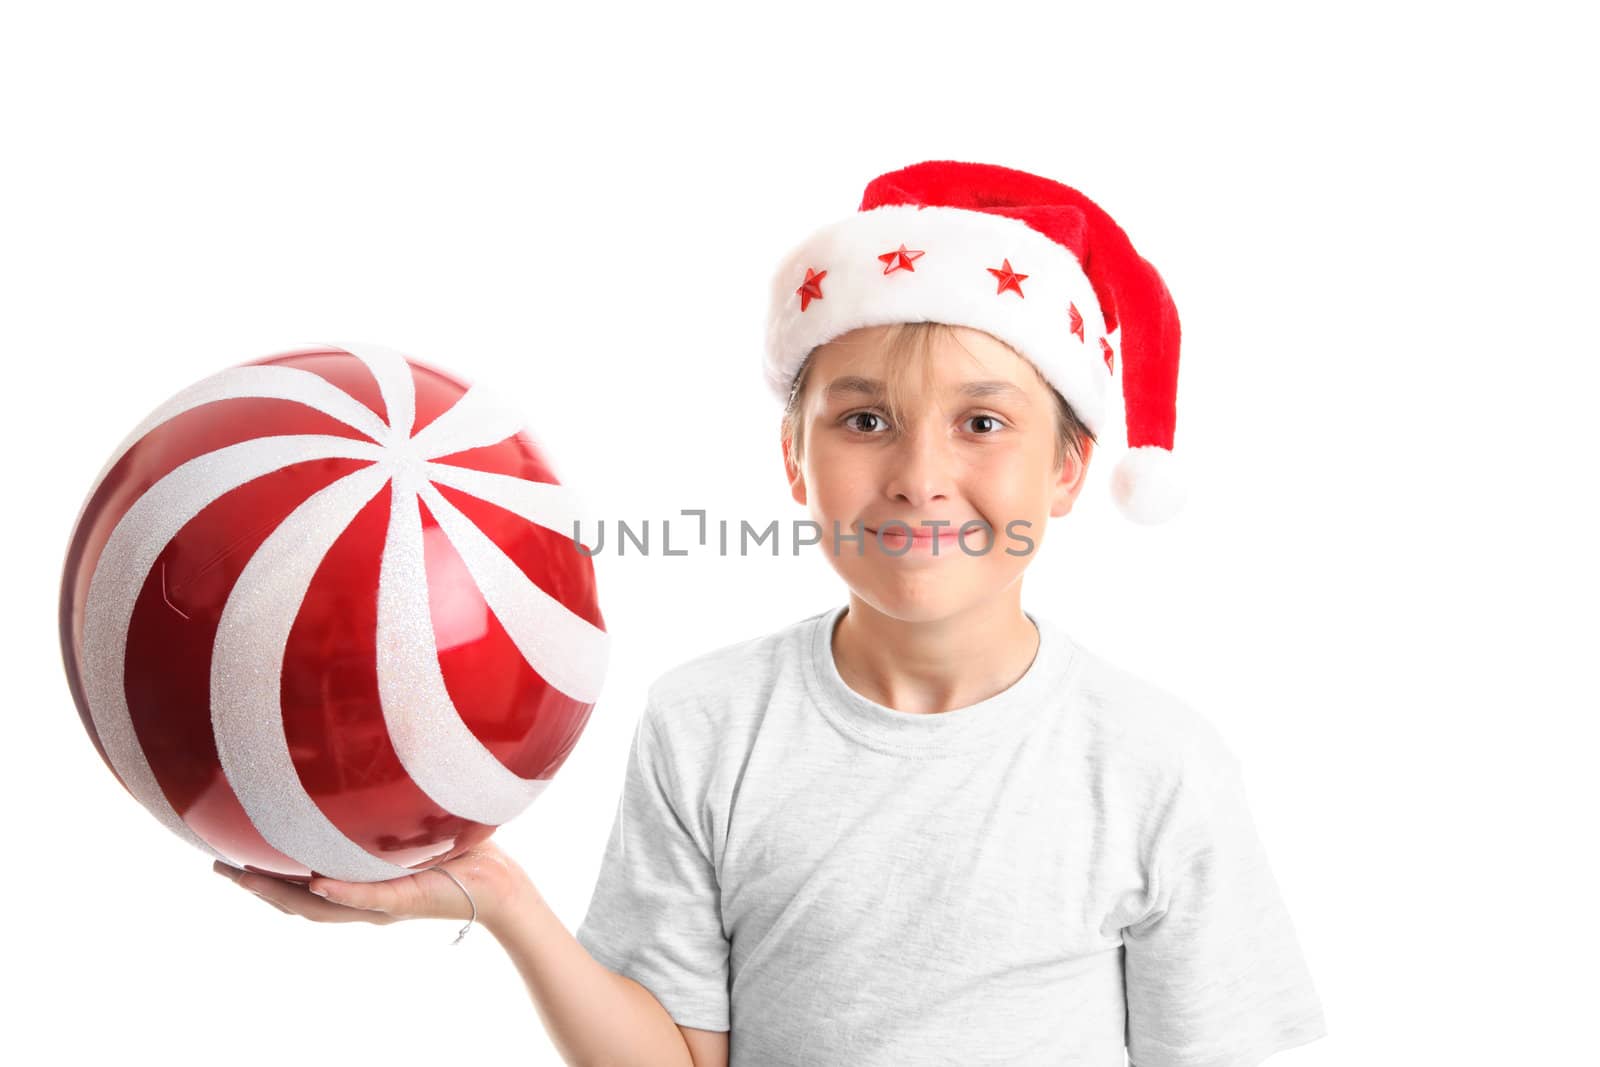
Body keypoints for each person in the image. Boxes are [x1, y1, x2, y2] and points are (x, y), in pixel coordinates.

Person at [216, 160, 1328, 1067]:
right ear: (793, 461)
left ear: (1070, 471)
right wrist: (500, 899)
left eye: (983, 424)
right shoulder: (708, 724)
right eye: (863, 421)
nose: (919, 475)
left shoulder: (1152, 762)